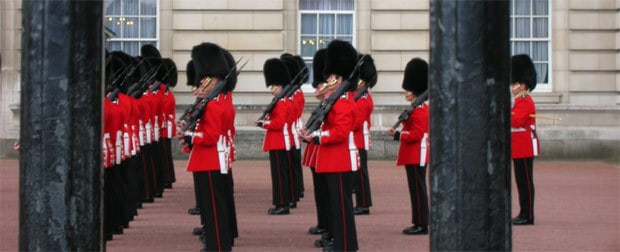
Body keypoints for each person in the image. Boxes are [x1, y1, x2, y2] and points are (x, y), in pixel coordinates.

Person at [301, 40, 359, 251]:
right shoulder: (334, 100)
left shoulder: (343, 102)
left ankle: (345, 245)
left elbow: (340, 133)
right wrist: (310, 134)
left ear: (340, 78)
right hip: (333, 159)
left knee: (342, 207)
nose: (327, 79)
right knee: (335, 206)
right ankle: (337, 239)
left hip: (340, 159)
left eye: (331, 76)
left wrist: (317, 137)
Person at [181, 42, 233, 251]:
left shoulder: (213, 105)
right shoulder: (216, 102)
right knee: (213, 207)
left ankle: (217, 245)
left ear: (214, 79)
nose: (201, 81)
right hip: (209, 159)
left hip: (210, 159)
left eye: (205, 78)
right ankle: (218, 243)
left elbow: (210, 136)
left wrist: (189, 135)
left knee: (213, 208)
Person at [387, 58, 430, 235]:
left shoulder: (420, 110)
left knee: (418, 190)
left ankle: (421, 224)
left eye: (408, 89)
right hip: (413, 153)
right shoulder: (416, 108)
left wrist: (398, 134)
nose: (406, 92)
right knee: (416, 189)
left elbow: (416, 135)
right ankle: (419, 221)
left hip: (416, 153)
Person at [256, 58, 293, 215]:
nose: (273, 89)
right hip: (276, 141)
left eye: (275, 86)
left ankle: (282, 204)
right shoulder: (278, 101)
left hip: (279, 141)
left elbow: (278, 124)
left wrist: (263, 124)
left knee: (279, 175)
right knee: (278, 175)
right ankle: (280, 202)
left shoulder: (282, 102)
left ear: (281, 86)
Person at [510, 54, 539, 226]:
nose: (512, 86)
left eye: (514, 83)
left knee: (525, 181)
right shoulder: (517, 101)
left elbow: (516, 121)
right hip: (518, 146)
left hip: (524, 145)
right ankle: (523, 212)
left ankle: (528, 215)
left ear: (522, 84)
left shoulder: (525, 101)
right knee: (521, 181)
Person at [352, 54, 376, 215]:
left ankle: (363, 204)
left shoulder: (362, 99)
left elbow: (356, 122)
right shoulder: (359, 96)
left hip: (358, 139)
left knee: (361, 174)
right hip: (356, 138)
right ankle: (362, 202)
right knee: (358, 173)